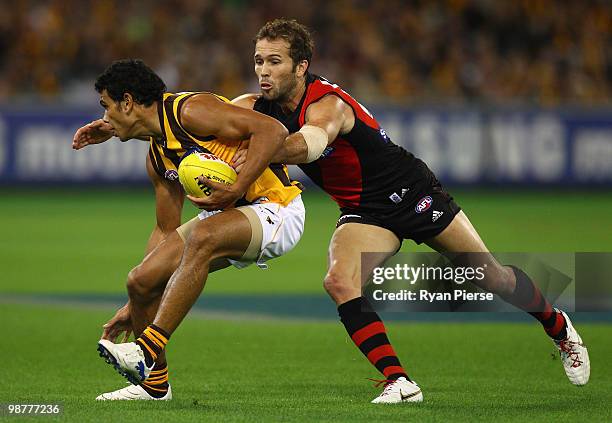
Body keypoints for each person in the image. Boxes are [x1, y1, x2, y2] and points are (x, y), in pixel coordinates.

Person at [226, 18, 590, 404]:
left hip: (412, 193)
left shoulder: (327, 104)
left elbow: (311, 144)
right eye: (259, 61)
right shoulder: (255, 108)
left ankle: (558, 326)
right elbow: (213, 117)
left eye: (275, 61)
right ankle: (399, 381)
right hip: (363, 210)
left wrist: (261, 152)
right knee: (339, 282)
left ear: (301, 66)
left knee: (492, 278)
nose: (264, 71)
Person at [72, 59, 305, 400]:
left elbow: (273, 131)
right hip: (223, 219)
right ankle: (154, 385)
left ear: (127, 102)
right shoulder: (157, 157)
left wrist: (238, 185)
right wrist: (139, 301)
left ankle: (145, 350)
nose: (104, 118)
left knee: (203, 236)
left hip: (275, 208)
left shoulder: (191, 110)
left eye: (106, 107)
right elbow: (166, 230)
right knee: (140, 280)